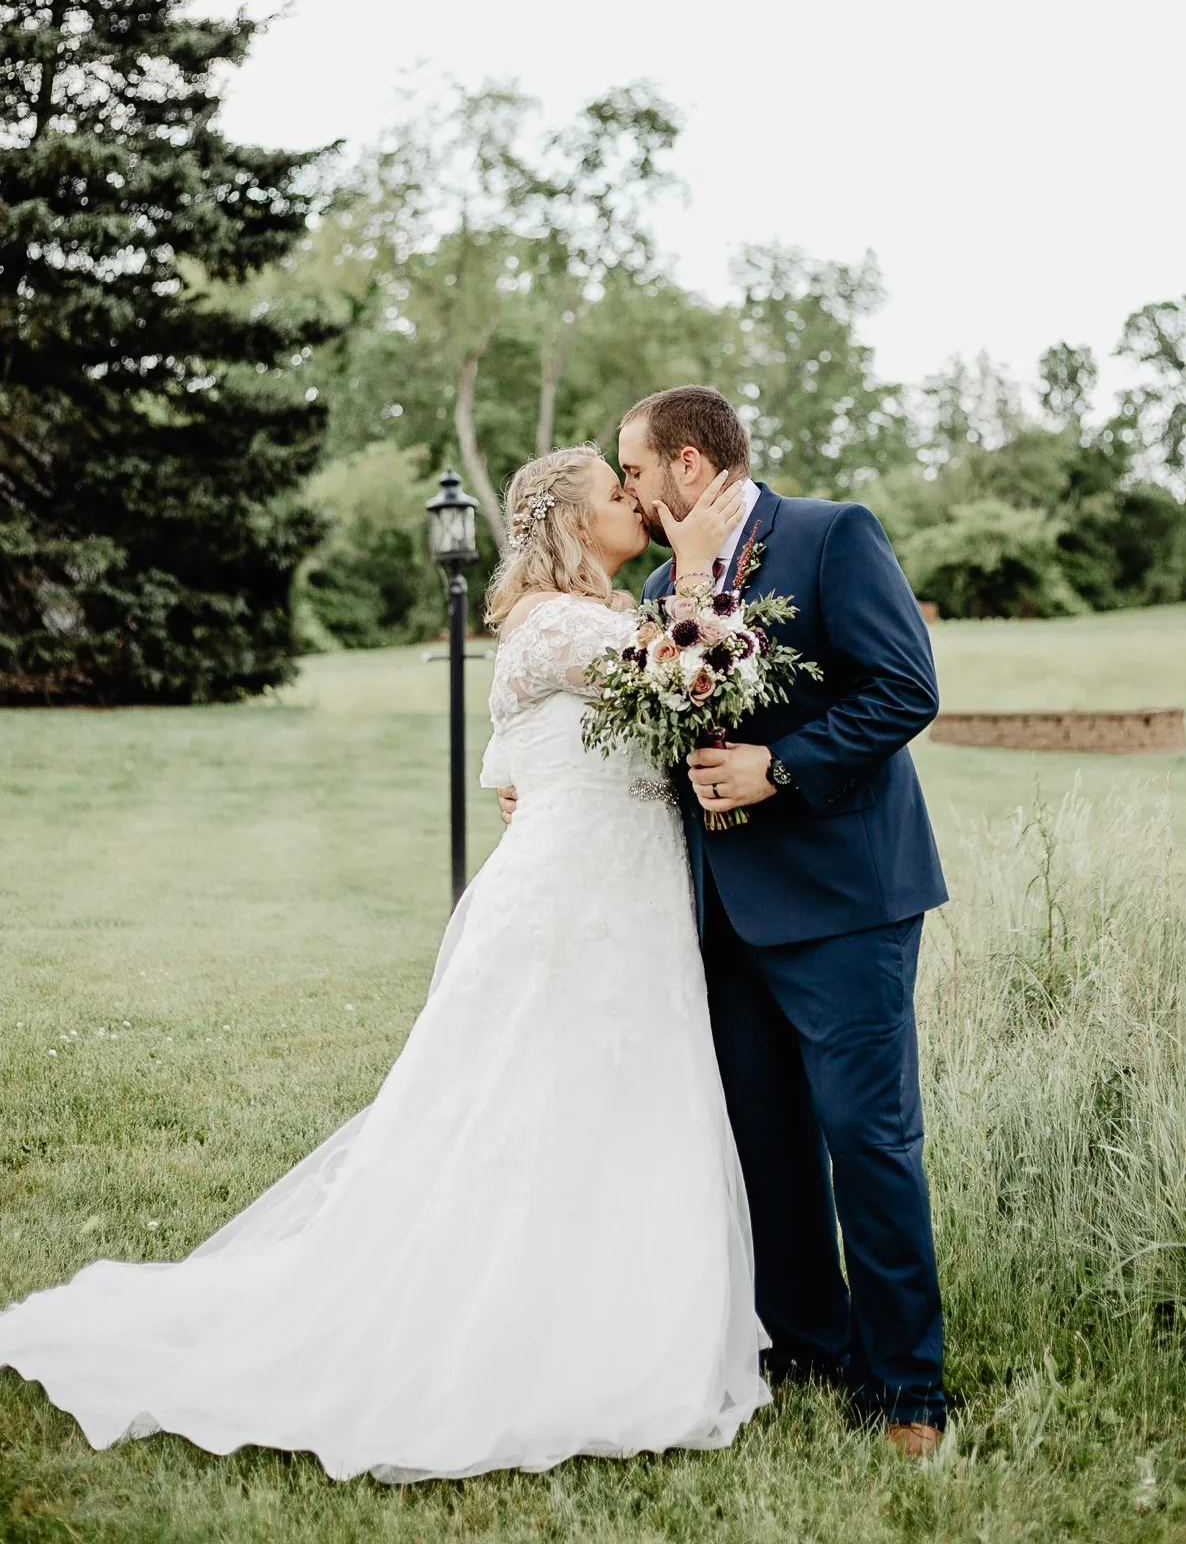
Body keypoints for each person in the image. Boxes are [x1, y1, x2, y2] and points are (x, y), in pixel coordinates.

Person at [0, 447, 769, 1482]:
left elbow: (516, 760)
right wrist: (696, 572)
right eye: (617, 492)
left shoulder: (567, 621)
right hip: (576, 897)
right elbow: (682, 672)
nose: (636, 501)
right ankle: (519, 1334)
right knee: (535, 1097)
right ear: (578, 524)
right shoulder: (562, 621)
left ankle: (612, 1303)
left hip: (617, 887)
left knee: (610, 1094)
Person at [501, 386, 948, 1454]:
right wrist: (544, 780)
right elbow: (657, 716)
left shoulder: (831, 534)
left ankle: (908, 1389)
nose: (635, 493)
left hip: (845, 901)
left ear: (690, 465)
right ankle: (806, 1344)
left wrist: (779, 766)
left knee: (867, 1139)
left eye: (638, 473)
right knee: (768, 1141)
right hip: (717, 912)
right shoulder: (664, 584)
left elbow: (903, 688)